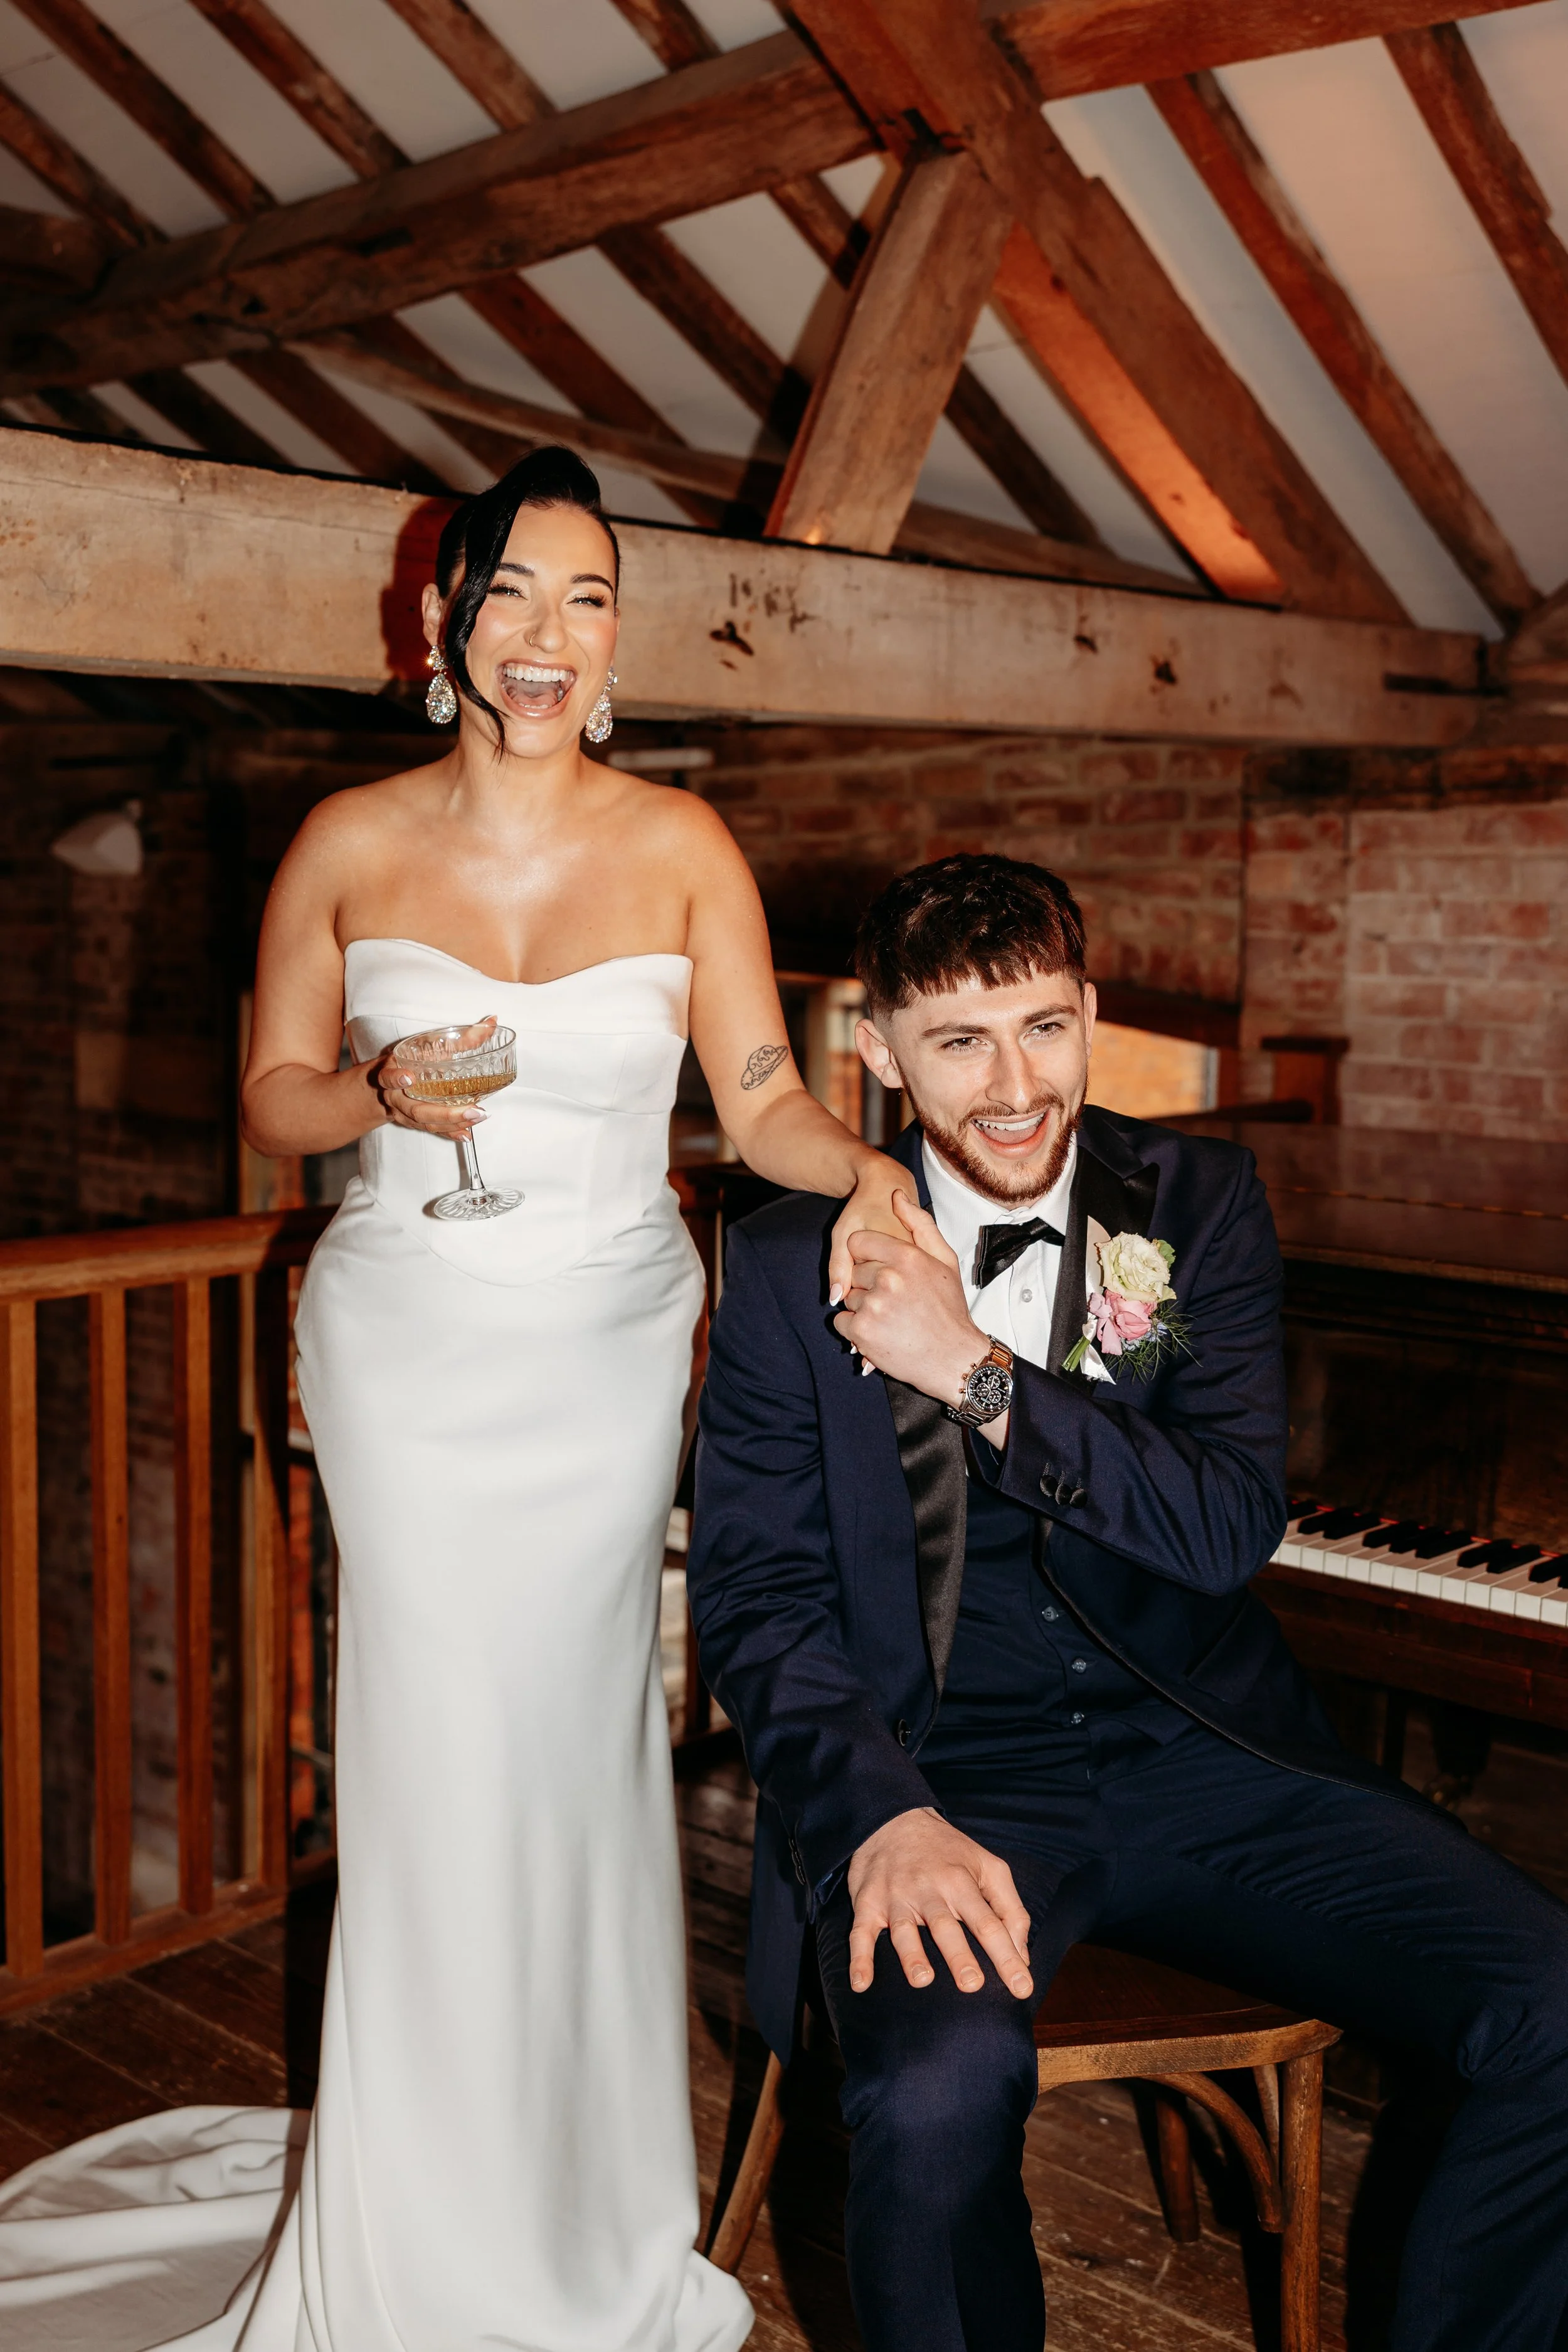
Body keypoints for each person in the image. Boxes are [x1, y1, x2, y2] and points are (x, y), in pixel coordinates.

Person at [0, 450, 909, 2352]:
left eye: (586, 599)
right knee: (425, 1760)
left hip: (595, 1347)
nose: (546, 636)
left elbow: (753, 1102)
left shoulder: (682, 846)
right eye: (511, 595)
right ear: (443, 623)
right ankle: (414, 2202)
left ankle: (575, 2192)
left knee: (570, 1757)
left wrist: (869, 1168)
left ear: (615, 640)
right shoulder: (346, 835)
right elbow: (272, 1094)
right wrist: (378, 1092)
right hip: (409, 1331)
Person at [687, 850, 1568, 2352]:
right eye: (958, 1042)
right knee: (930, 2087)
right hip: (946, 1787)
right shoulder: (782, 1268)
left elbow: (1226, 1525)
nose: (1016, 1084)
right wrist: (882, 1816)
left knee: (1553, 2005)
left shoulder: (1198, 1203)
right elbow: (758, 1598)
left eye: (1044, 1025)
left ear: (1090, 1012)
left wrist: (973, 1375)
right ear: (882, 1057)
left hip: (1209, 1760)